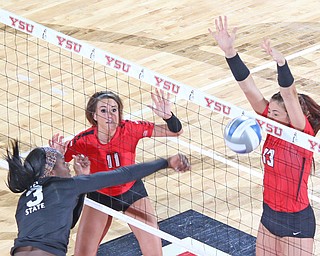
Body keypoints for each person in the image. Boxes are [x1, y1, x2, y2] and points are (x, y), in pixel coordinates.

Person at [210, 16, 320, 256]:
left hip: (296, 221)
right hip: (269, 214)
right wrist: (230, 53)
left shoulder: (301, 134)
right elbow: (248, 87)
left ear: (290, 116)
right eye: (269, 110)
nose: (267, 114)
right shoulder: (270, 124)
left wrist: (282, 64)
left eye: (275, 112)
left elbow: (289, 95)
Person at [49, 88, 184, 256]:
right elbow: (55, 173)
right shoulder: (83, 140)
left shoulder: (131, 129)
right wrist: (56, 156)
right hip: (100, 195)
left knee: (154, 253)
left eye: (114, 110)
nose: (110, 115)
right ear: (94, 115)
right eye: (103, 111)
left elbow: (175, 131)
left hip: (132, 192)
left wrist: (168, 116)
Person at [6, 139, 190, 256]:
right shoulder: (65, 186)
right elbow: (123, 174)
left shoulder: (25, 199)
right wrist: (165, 162)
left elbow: (66, 221)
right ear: (51, 170)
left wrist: (80, 178)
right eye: (64, 163)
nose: (68, 167)